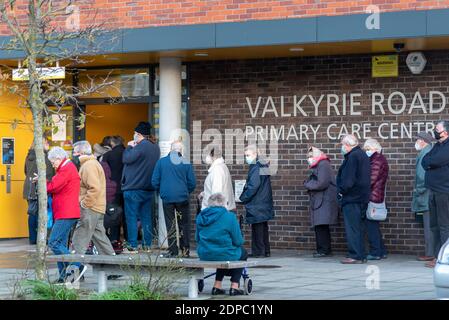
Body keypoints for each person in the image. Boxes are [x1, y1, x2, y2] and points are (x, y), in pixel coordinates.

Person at [70, 141, 115, 260]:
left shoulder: (88, 166)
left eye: (74, 152)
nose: (73, 154)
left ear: (81, 152)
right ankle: (113, 266)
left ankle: (74, 268)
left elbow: (94, 188)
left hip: (91, 208)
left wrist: (85, 204)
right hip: (97, 207)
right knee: (100, 238)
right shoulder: (92, 163)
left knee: (79, 239)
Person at [45, 147, 84, 283]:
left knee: (54, 242)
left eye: (52, 162)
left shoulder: (66, 168)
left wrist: (42, 183)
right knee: (60, 244)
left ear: (58, 158)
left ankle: (78, 265)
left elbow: (52, 187)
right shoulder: (66, 168)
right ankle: (65, 276)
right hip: (65, 212)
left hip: (66, 212)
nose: (52, 165)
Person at [196, 193, 247, 296]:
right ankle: (234, 286)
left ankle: (217, 286)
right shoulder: (229, 217)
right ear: (224, 203)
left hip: (205, 254)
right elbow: (238, 241)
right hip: (224, 253)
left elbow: (197, 238)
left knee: (221, 252)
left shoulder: (201, 216)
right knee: (242, 252)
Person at [152, 141, 196, 257]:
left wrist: (162, 192)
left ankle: (173, 251)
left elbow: (154, 181)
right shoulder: (186, 163)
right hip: (182, 198)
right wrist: (186, 192)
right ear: (181, 150)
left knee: (170, 224)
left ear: (171, 149)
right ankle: (185, 251)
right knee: (183, 224)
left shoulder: (161, 162)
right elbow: (192, 183)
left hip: (167, 198)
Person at [122, 122, 160, 252]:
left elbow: (126, 159)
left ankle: (132, 245)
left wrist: (129, 147)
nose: (133, 136)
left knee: (131, 217)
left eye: (134, 133)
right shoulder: (155, 147)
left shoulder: (140, 147)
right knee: (146, 218)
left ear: (138, 134)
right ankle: (147, 245)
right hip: (148, 188)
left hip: (133, 188)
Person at [337, 134, 371, 264]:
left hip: (352, 198)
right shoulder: (362, 155)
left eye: (342, 145)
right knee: (359, 227)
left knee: (352, 228)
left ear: (347, 145)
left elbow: (348, 180)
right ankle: (361, 254)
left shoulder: (352, 157)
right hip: (362, 197)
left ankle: (355, 255)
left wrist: (341, 191)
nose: (342, 147)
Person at [422, 120, 449, 268]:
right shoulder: (437, 146)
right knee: (434, 225)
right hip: (433, 190)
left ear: (445, 132)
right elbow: (425, 160)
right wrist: (431, 163)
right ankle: (437, 255)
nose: (435, 131)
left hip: (444, 190)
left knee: (444, 225)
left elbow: (437, 160)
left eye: (437, 129)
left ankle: (445, 257)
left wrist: (431, 163)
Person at [239, 145, 274, 258]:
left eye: (248, 155)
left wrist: (244, 197)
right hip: (263, 202)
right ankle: (265, 250)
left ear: (255, 154)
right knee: (263, 227)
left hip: (257, 203)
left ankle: (259, 251)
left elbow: (253, 186)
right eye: (245, 155)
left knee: (257, 228)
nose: (246, 158)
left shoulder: (255, 167)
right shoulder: (263, 165)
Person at [304, 146, 338, 258]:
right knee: (320, 225)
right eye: (308, 157)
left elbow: (322, 183)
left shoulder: (323, 164)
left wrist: (307, 184)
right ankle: (323, 249)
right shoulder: (320, 165)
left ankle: (323, 250)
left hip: (324, 200)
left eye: (311, 156)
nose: (309, 159)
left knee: (321, 225)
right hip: (320, 200)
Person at [413, 132, 438, 264]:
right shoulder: (427, 152)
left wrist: (418, 190)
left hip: (425, 195)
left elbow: (422, 177)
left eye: (417, 139)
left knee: (429, 226)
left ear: (423, 141)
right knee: (429, 225)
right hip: (427, 194)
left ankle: (430, 254)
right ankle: (430, 252)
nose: (416, 142)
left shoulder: (425, 154)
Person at [23, 138, 54, 244]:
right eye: (46, 142)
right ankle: (41, 239)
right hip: (39, 187)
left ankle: (33, 238)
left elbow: (26, 171)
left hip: (29, 187)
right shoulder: (44, 157)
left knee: (32, 213)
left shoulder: (29, 156)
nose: (48, 144)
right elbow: (50, 174)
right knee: (41, 213)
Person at [363, 138, 389, 260]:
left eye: (368, 149)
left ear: (375, 148)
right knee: (373, 225)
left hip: (373, 196)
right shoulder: (378, 159)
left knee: (371, 225)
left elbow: (370, 179)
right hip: (376, 195)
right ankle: (381, 250)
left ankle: (376, 252)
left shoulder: (377, 160)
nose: (366, 151)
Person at [102, 135, 126, 244]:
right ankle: (127, 238)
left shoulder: (108, 155)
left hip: (112, 189)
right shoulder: (128, 153)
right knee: (126, 215)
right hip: (126, 187)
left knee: (113, 214)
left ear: (112, 143)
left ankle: (112, 238)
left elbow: (104, 172)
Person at [200, 146, 236, 212]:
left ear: (213, 155)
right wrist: (204, 193)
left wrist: (213, 212)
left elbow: (216, 193)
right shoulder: (221, 167)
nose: (206, 157)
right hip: (220, 209)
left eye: (207, 155)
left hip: (215, 211)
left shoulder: (217, 170)